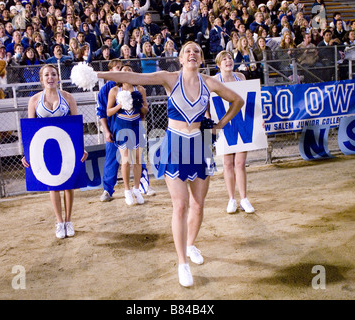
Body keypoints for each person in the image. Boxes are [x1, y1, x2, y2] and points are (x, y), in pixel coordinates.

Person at [95, 41, 245, 287]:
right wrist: (99, 74)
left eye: (197, 50)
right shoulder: (169, 78)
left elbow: (237, 101)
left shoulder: (209, 83)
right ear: (180, 59)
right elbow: (133, 75)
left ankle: (190, 245)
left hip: (199, 145)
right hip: (174, 145)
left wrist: (219, 125)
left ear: (201, 58)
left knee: (198, 204)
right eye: (188, 51)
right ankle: (182, 263)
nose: (193, 54)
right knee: (181, 205)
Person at [21, 64, 88, 239]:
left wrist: (82, 148)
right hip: (47, 149)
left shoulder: (68, 97)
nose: (50, 77)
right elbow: (31, 130)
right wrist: (27, 155)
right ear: (41, 79)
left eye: (53, 74)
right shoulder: (34, 100)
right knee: (53, 185)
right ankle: (59, 222)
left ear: (58, 77)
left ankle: (68, 220)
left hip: (67, 147)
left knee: (69, 185)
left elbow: (76, 126)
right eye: (46, 75)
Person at [212, 50, 255, 214]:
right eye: (224, 59)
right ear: (218, 64)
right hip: (223, 124)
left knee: (240, 163)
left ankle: (244, 198)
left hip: (242, 122)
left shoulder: (241, 77)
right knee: (228, 163)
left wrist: (258, 119)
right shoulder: (215, 80)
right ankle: (231, 199)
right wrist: (211, 122)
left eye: (230, 58)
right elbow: (209, 103)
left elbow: (251, 99)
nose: (228, 61)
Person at [106, 64, 149, 205]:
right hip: (121, 125)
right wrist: (120, 105)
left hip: (136, 125)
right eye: (124, 71)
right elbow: (108, 112)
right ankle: (127, 191)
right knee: (126, 159)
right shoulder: (114, 90)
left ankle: (137, 189)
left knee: (137, 159)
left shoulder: (140, 89)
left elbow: (145, 110)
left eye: (129, 70)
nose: (127, 72)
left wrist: (139, 105)